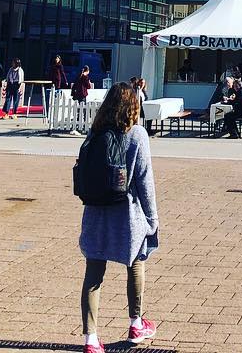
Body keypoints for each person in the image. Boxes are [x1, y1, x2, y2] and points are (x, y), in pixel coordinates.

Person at [77, 83, 159, 353]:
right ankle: (136, 322)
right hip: (127, 212)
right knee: (136, 261)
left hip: (97, 210)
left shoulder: (95, 132)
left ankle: (90, 339)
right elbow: (144, 181)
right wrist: (152, 217)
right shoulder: (137, 135)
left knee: (94, 274)